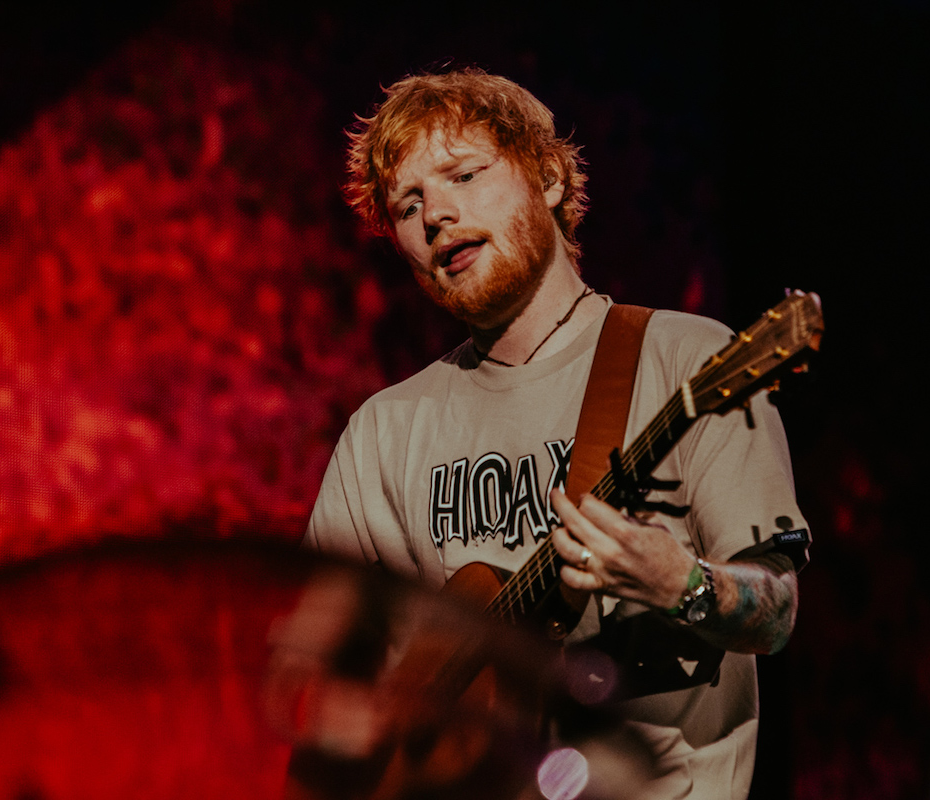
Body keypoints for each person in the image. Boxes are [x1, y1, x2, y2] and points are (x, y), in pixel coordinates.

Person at [301, 67, 808, 800]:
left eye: (464, 175)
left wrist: (685, 584)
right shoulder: (381, 433)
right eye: (408, 205)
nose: (436, 213)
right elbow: (314, 672)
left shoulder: (689, 359)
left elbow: (777, 612)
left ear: (547, 178)